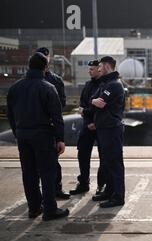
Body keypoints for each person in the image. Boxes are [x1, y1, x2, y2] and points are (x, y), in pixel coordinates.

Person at [6, 52, 69, 221]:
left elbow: (10, 114)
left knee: (29, 173)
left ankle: (34, 208)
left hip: (22, 135)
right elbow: (57, 117)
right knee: (48, 172)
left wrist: (17, 133)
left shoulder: (15, 88)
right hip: (42, 135)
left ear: (29, 66)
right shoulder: (48, 87)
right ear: (45, 67)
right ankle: (50, 210)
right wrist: (60, 139)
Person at [91, 56, 126, 208]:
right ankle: (110, 191)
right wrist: (93, 100)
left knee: (115, 163)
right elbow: (92, 99)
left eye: (100, 66)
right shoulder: (106, 83)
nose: (98, 69)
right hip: (104, 128)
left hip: (111, 128)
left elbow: (99, 103)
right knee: (107, 163)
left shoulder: (114, 85)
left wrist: (94, 101)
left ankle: (118, 196)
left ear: (106, 66)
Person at [36, 47, 70, 200]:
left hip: (48, 127)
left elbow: (61, 103)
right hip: (42, 126)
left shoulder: (55, 80)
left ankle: (56, 190)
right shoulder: (32, 81)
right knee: (36, 166)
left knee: (53, 163)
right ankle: (40, 195)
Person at [70, 60, 106, 196]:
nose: (89, 71)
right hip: (87, 125)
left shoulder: (105, 86)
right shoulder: (88, 85)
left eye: (92, 69)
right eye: (89, 69)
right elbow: (83, 105)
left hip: (101, 126)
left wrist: (94, 121)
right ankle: (83, 182)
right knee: (83, 153)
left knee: (104, 156)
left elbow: (102, 108)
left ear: (99, 69)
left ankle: (102, 184)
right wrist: (89, 120)